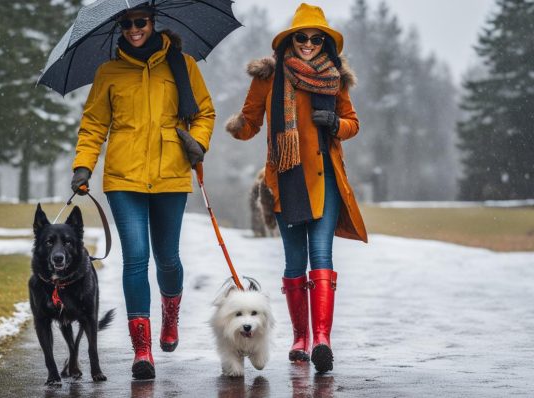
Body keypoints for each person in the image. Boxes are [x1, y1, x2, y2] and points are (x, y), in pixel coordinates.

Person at [70, 5, 215, 380]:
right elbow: (93, 124)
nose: (134, 30)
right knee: (135, 258)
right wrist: (83, 165)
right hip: (124, 179)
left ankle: (170, 314)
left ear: (153, 23)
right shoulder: (109, 72)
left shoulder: (182, 65)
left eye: (140, 22)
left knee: (167, 259)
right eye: (127, 23)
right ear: (120, 26)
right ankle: (142, 351)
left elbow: (204, 113)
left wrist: (197, 142)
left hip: (171, 175)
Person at [225, 3, 367, 373]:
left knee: (322, 257)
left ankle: (321, 339)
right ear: (290, 39)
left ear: (325, 42)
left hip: (325, 181)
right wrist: (224, 129)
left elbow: (353, 124)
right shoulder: (269, 77)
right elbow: (250, 123)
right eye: (301, 37)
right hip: (285, 179)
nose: (307, 43)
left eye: (315, 38)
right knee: (293, 263)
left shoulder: (334, 78)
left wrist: (335, 123)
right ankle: (300, 338)